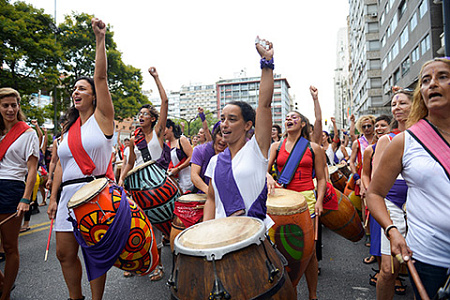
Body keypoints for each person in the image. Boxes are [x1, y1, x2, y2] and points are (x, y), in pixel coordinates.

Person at [367, 57, 450, 299]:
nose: (433, 84)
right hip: (429, 255)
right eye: (426, 80)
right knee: (388, 272)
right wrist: (391, 230)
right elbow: (374, 191)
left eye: (442, 77)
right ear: (421, 93)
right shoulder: (406, 141)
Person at [47, 18, 115, 300]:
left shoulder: (103, 119)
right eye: (74, 89)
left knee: (93, 253)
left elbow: (100, 77)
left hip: (95, 192)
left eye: (82, 88)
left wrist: (100, 39)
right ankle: (76, 297)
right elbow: (61, 165)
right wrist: (52, 198)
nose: (76, 92)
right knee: (64, 253)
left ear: (94, 96)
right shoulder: (68, 130)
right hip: (67, 195)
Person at [203, 36, 274, 231]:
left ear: (247, 125)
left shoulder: (257, 150)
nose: (225, 124)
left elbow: (265, 105)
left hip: (252, 237)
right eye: (223, 118)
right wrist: (205, 233)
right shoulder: (215, 162)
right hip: (221, 238)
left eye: (232, 119)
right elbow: (211, 199)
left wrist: (266, 64)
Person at [267, 110, 327, 300]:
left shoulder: (313, 147)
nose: (289, 119)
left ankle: (312, 295)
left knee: (309, 253)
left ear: (302, 124)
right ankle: (287, 292)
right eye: (287, 117)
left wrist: (319, 201)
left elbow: (322, 178)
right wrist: (268, 176)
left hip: (306, 200)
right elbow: (264, 170)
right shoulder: (276, 146)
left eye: (294, 117)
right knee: (279, 249)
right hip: (282, 199)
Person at [118, 67, 170, 281]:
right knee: (139, 225)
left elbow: (165, 102)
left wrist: (156, 78)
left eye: (145, 114)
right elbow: (130, 163)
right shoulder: (135, 138)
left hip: (158, 186)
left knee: (160, 226)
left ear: (153, 118)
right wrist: (121, 179)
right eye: (139, 115)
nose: (141, 117)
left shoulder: (158, 133)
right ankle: (140, 263)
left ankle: (158, 265)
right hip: (138, 187)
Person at [367, 89, 413, 299]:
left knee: (420, 270)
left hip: (419, 206)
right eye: (394, 104)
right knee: (388, 270)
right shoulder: (386, 140)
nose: (397, 107)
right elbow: (377, 182)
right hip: (393, 205)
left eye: (402, 103)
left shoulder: (429, 135)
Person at [0, 88, 39, 300]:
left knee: (9, 246)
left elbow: (31, 170)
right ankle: (5, 283)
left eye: (13, 105)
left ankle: (5, 295)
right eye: (5, 105)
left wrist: (26, 198)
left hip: (12, 187)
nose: (10, 109)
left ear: (19, 106)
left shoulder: (27, 133)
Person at [360, 115, 391, 286]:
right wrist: (369, 189)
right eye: (376, 125)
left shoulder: (398, 145)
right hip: (377, 197)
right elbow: (366, 173)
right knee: (379, 236)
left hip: (395, 198)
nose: (379, 128)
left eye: (383, 125)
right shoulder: (369, 150)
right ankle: (381, 272)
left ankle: (395, 275)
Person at [190, 123, 227, 194]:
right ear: (214, 135)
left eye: (226, 136)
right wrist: (210, 193)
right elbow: (194, 176)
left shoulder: (231, 153)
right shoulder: (199, 150)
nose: (223, 140)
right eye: (220, 135)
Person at [165, 119, 194, 194]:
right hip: (175, 183)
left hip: (188, 180)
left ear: (170, 128)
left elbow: (191, 157)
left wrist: (178, 169)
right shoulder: (166, 144)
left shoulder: (181, 139)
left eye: (164, 129)